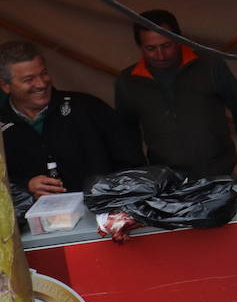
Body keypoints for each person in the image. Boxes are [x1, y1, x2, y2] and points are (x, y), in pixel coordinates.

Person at [114, 10, 237, 179]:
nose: (160, 55)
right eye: (150, 48)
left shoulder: (209, 66)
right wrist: (140, 174)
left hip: (220, 172)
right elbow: (125, 133)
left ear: (179, 39)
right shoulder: (128, 81)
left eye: (166, 45)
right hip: (166, 179)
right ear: (140, 47)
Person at [0, 41, 142, 198]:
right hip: (35, 221)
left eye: (44, 73)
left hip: (102, 215)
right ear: (5, 86)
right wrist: (25, 186)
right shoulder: (2, 128)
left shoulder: (87, 107)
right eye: (29, 79)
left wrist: (110, 195)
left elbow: (132, 162)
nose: (41, 83)